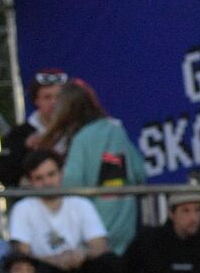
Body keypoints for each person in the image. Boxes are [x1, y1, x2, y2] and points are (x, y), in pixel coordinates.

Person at [8, 148, 129, 273]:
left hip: (80, 266)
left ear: (61, 174)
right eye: (39, 178)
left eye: (51, 174)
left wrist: (82, 254)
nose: (47, 182)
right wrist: (53, 260)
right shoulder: (23, 209)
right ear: (31, 182)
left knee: (110, 264)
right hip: (44, 271)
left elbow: (100, 245)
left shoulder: (81, 204)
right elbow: (21, 254)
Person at [37, 80, 147, 257]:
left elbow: (71, 184)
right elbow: (141, 172)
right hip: (126, 225)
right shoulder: (115, 130)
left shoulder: (82, 139)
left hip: (96, 231)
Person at [0, 69, 69, 187]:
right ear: (36, 101)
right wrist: (24, 146)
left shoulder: (80, 130)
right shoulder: (20, 133)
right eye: (47, 97)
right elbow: (1, 171)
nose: (54, 102)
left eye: (58, 97)